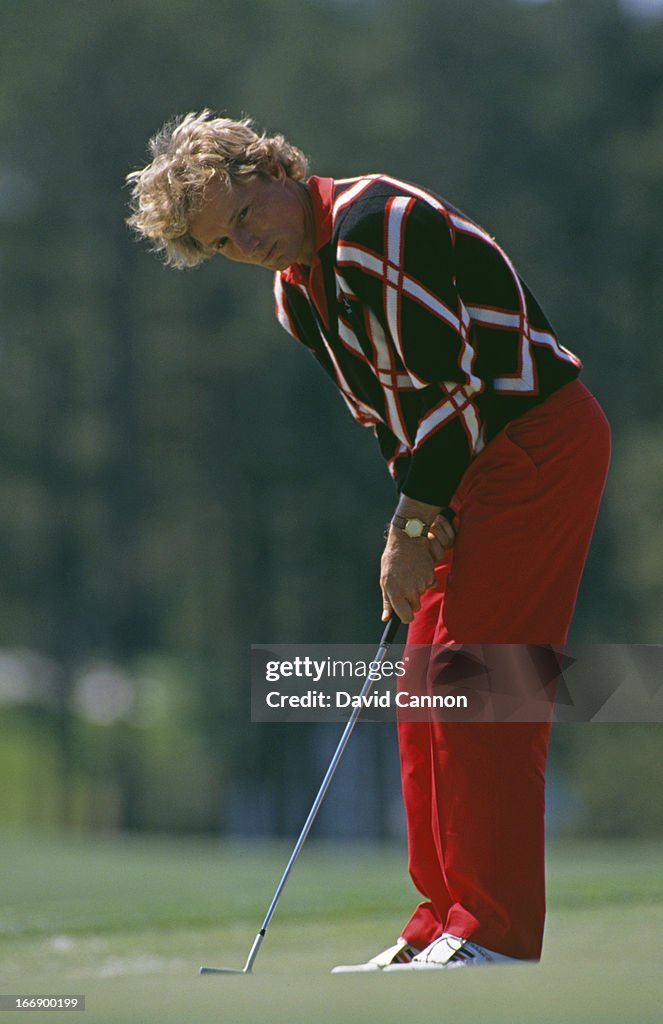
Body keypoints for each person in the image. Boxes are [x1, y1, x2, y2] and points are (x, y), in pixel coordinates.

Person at [126, 111, 610, 971]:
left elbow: (456, 389)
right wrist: (423, 515)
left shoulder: (374, 225)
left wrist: (411, 526)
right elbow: (394, 419)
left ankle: (492, 934)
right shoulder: (295, 293)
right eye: (223, 245)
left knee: (478, 689)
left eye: (246, 217)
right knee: (425, 689)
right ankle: (442, 922)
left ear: (274, 165)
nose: (248, 244)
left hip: (534, 443)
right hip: (466, 469)